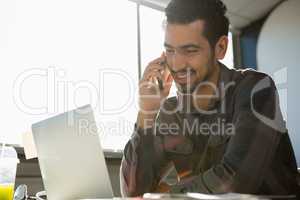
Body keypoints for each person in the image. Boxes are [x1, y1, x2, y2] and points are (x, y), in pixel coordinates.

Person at [120, 0, 299, 197]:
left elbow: (235, 181)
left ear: (220, 48)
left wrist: (166, 195)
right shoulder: (171, 111)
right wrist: (147, 112)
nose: (177, 64)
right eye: (170, 50)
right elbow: (133, 192)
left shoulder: (256, 89)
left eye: (190, 50)